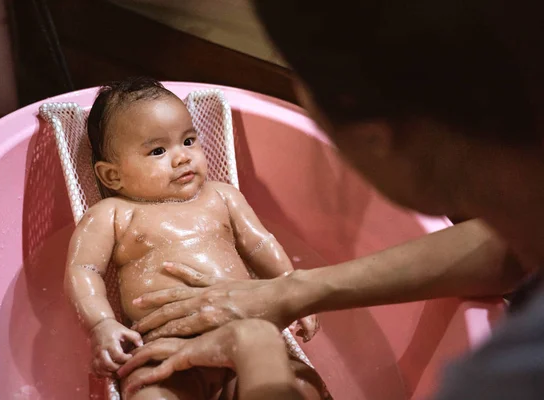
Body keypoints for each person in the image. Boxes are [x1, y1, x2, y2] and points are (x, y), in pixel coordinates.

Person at [117, 0, 544, 398]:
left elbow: (260, 242)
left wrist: (257, 347)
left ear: (376, 138)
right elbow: (504, 249)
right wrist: (291, 291)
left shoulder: (508, 378)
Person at [64, 77, 323, 400]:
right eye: (158, 150)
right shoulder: (112, 214)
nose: (183, 157)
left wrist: (291, 290)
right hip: (161, 346)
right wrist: (101, 324)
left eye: (188, 141)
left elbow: (260, 244)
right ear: (112, 175)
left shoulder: (223, 196)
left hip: (243, 331)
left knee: (304, 385)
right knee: (148, 395)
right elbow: (84, 270)